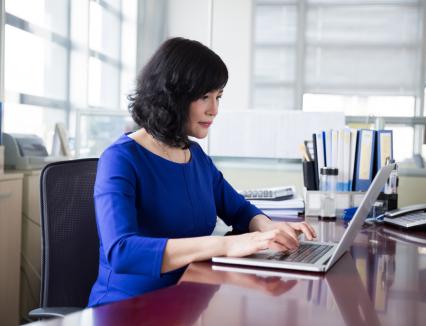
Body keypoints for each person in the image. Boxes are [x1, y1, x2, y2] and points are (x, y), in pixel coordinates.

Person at [88, 37, 316, 307]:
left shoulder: (194, 155)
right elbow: (122, 252)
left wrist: (271, 231)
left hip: (187, 299)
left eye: (218, 96)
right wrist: (227, 245)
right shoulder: (120, 159)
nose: (214, 109)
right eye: (204, 97)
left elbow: (240, 211)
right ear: (172, 96)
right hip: (127, 307)